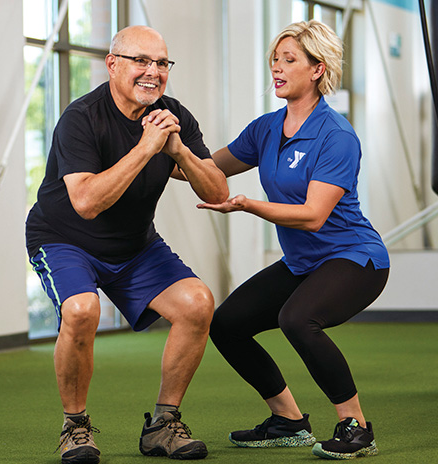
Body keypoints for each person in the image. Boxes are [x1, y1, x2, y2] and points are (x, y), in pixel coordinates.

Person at [25, 25, 228, 463]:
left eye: (161, 63)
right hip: (64, 239)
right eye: (141, 61)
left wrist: (179, 152)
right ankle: (75, 427)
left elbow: (216, 193)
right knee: (81, 310)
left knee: (197, 303)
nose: (152, 72)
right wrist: (144, 147)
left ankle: (162, 426)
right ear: (113, 64)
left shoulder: (173, 115)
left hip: (134, 246)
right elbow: (86, 203)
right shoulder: (81, 118)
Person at [197, 20, 389, 460]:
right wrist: (160, 149)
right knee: (226, 324)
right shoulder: (266, 128)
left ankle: (356, 427)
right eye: (274, 60)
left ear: (318, 69)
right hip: (304, 263)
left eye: (289, 60)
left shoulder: (336, 135)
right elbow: (209, 170)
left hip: (354, 258)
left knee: (297, 318)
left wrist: (247, 205)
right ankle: (287, 420)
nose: (277, 69)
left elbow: (313, 216)